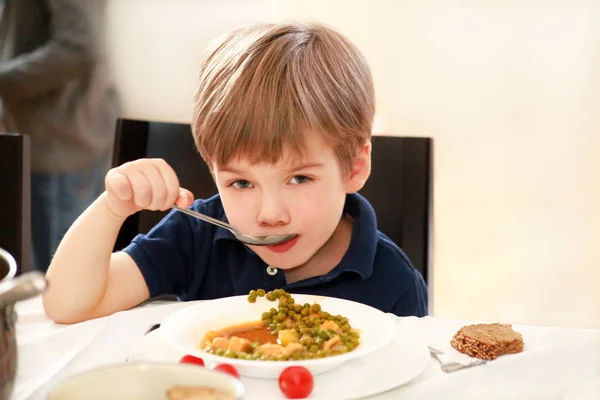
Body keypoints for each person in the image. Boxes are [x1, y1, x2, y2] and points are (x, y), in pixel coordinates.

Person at [42, 22, 427, 324]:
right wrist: (113, 207)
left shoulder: (394, 282)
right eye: (241, 183)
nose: (269, 213)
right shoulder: (198, 236)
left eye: (300, 178)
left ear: (355, 168)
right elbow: (68, 305)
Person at [0, 0, 121, 272]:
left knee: (61, 275)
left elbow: (78, 48)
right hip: (48, 136)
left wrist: (4, 82)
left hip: (63, 142)